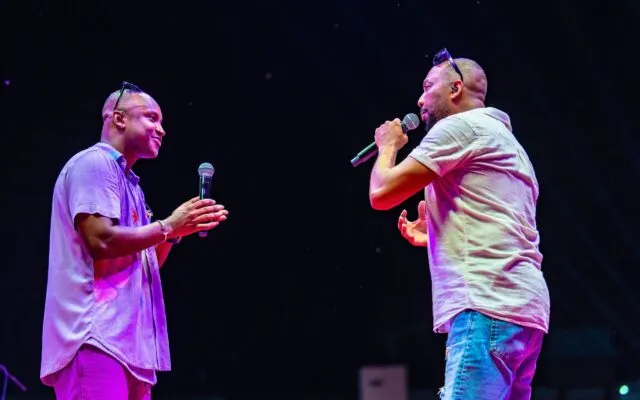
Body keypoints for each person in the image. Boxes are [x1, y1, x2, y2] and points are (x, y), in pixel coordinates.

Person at [368, 49, 550, 399]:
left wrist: (387, 147)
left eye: (427, 87)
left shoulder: (460, 127)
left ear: (455, 89)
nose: (420, 99)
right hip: (524, 312)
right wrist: (438, 231)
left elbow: (382, 193)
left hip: (486, 305)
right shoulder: (507, 141)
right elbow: (499, 220)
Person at [40, 82, 229, 400]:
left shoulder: (133, 188)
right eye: (152, 117)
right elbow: (100, 241)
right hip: (94, 337)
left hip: (130, 347)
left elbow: (146, 264)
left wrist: (175, 233)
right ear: (119, 118)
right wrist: (168, 226)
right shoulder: (94, 163)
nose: (162, 130)